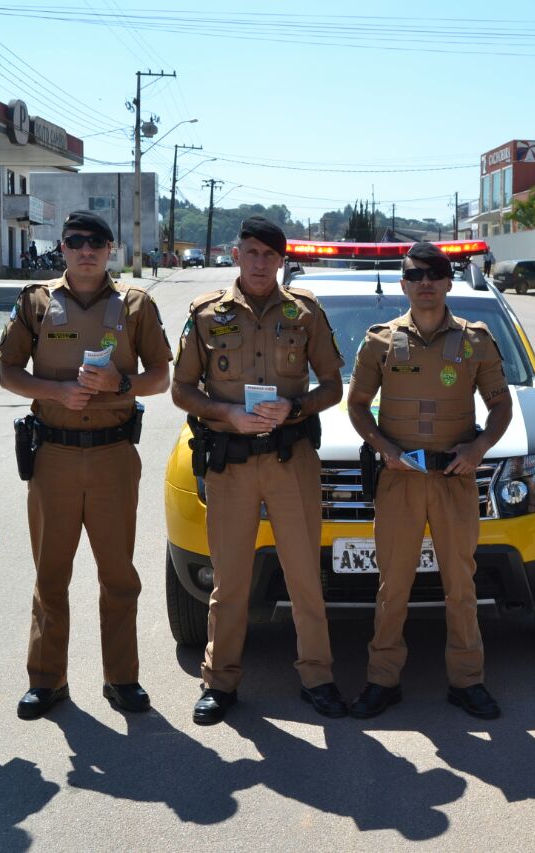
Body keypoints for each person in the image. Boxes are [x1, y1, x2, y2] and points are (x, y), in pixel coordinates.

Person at [0, 210, 173, 720]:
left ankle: (122, 678)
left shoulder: (136, 304)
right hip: (52, 455)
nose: (86, 250)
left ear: (111, 248)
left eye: (96, 242)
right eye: (76, 241)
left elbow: (161, 376)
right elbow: (8, 372)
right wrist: (56, 391)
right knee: (51, 573)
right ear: (64, 248)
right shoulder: (36, 301)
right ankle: (47, 680)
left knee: (118, 573)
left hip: (115, 456)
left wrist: (120, 385)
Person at [172, 215, 346, 725]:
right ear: (236, 254)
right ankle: (219, 680)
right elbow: (181, 390)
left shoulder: (305, 313)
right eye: (251, 252)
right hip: (233, 463)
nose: (260, 263)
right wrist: (226, 414)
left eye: (270, 255)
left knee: (303, 578)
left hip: (291, 461)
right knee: (230, 579)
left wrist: (295, 408)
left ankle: (318, 676)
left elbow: (333, 385)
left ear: (281, 260)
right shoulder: (207, 314)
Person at [347, 242, 513, 720]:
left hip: (454, 480)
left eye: (435, 273)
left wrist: (478, 449)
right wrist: (386, 450)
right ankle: (382, 680)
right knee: (392, 585)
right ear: (403, 282)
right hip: (399, 481)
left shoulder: (476, 340)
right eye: (415, 274)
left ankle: (467, 680)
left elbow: (501, 406)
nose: (425, 282)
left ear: (447, 281)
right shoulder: (380, 341)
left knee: (461, 585)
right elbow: (357, 406)